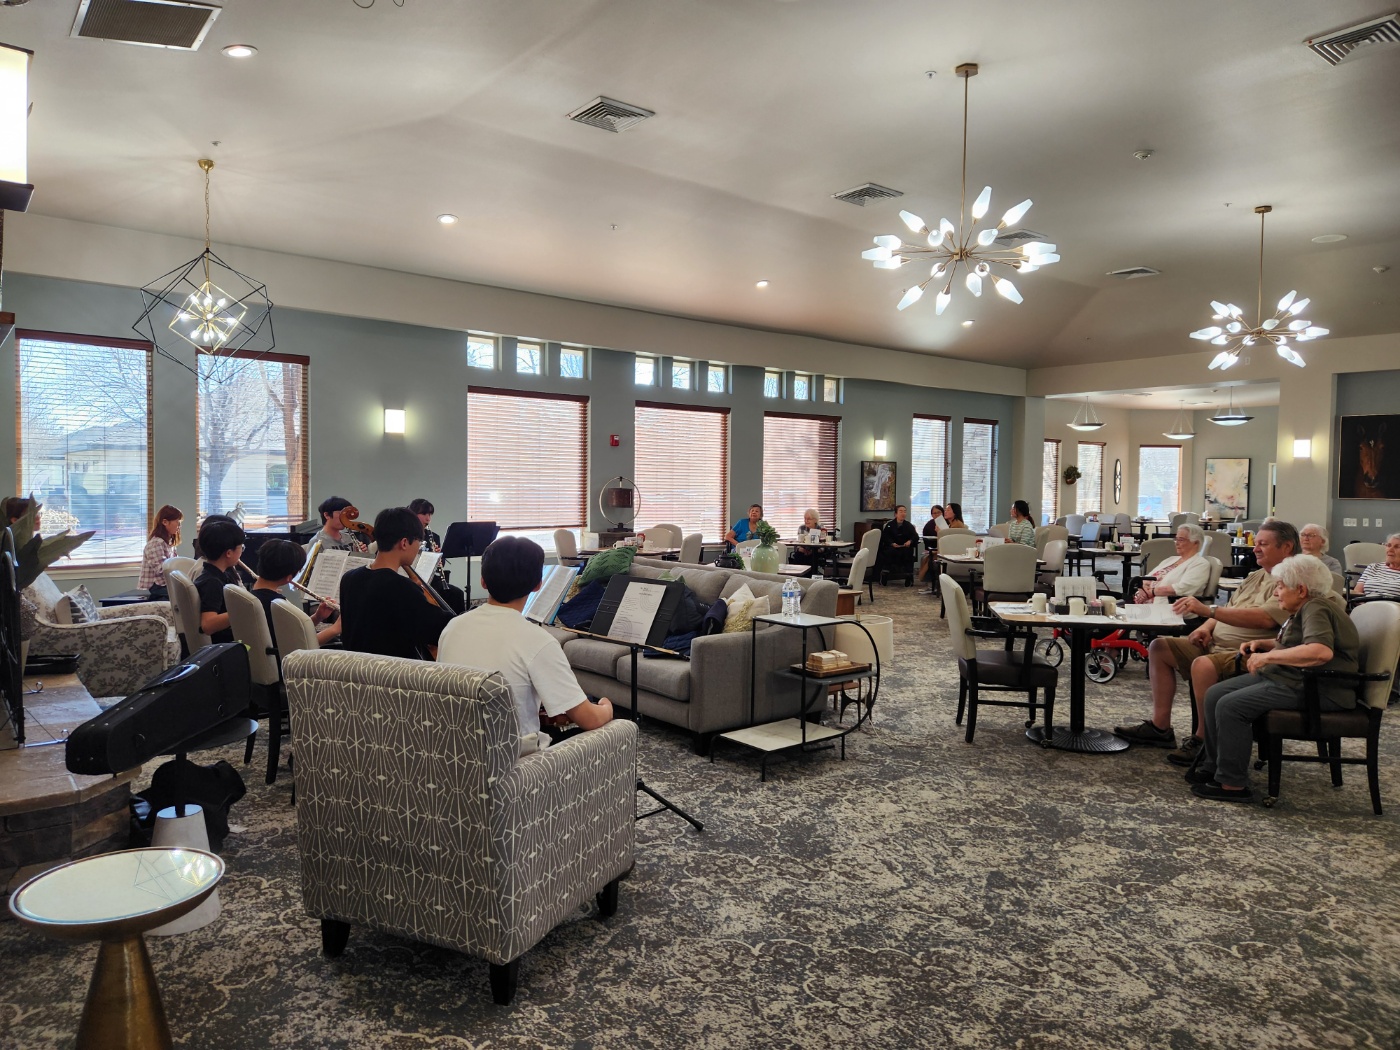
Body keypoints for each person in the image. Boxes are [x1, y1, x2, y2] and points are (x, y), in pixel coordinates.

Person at [1116, 520, 1297, 757]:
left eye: (1263, 544)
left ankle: (1204, 740)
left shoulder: (1290, 580)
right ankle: (1160, 728)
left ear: (1286, 547)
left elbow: (1265, 619)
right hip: (1216, 643)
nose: (1255, 549)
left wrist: (1208, 612)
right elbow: (1229, 607)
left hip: (1249, 653)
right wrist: (1207, 627)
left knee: (1203, 665)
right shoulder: (1256, 576)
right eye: (1257, 543)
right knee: (1159, 648)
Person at [1187, 555, 1360, 803]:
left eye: (1280, 586)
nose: (1276, 593)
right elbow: (1299, 642)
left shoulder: (1317, 608)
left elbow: (1320, 651)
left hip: (1320, 689)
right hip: (1292, 679)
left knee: (1230, 706)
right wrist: (1265, 644)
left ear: (1301, 590)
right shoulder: (1306, 607)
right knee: (1215, 694)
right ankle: (1215, 765)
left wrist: (1268, 657)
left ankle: (1232, 784)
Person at [438, 536, 613, 748]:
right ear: (538, 585)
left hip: (454, 749)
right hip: (513, 758)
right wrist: (606, 707)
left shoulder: (452, 627)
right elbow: (590, 719)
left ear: (483, 581)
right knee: (611, 731)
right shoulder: (538, 641)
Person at [339, 506, 455, 660]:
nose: (418, 549)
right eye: (418, 542)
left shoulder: (349, 578)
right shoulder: (402, 588)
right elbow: (439, 630)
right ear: (404, 543)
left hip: (356, 669)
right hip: (392, 671)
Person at [249, 539, 341, 646]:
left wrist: (317, 617)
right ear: (289, 577)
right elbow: (301, 645)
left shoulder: (253, 596)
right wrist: (335, 629)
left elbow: (297, 629)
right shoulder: (278, 606)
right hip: (286, 655)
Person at [194, 517, 246, 644]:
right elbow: (208, 624)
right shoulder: (212, 582)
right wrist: (245, 610)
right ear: (229, 553)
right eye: (241, 547)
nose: (241, 551)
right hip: (226, 646)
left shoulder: (217, 575)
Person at [1129, 523, 1209, 605]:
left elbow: (1183, 588)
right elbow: (1147, 578)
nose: (1176, 543)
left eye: (1181, 540)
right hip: (1143, 604)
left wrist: (1151, 592)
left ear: (1196, 543)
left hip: (1166, 608)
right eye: (1176, 539)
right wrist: (1142, 588)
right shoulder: (1171, 559)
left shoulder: (1200, 564)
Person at [409, 497, 465, 612]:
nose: (428, 518)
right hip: (412, 578)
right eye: (424, 514)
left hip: (431, 580)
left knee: (457, 593)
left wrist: (437, 558)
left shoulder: (433, 537)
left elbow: (441, 565)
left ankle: (455, 621)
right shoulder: (407, 536)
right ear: (413, 514)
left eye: (430, 514)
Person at [139, 504, 183, 601]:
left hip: (165, 583)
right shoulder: (156, 543)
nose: (179, 525)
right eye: (177, 521)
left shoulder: (169, 543)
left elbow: (175, 562)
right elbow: (161, 569)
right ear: (165, 522)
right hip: (157, 586)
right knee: (186, 594)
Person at [878, 504, 919, 584]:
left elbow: (915, 536)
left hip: (905, 547)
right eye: (901, 511)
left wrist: (910, 541)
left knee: (908, 553)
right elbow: (885, 537)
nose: (903, 513)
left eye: (904, 511)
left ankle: (908, 576)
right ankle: (885, 575)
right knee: (888, 552)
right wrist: (892, 543)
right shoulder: (889, 525)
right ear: (896, 514)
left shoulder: (909, 525)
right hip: (893, 547)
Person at [1353, 532, 1400, 599]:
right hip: (1366, 604)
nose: (1390, 550)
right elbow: (1357, 592)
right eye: (1388, 545)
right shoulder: (1373, 567)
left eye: (1397, 547)